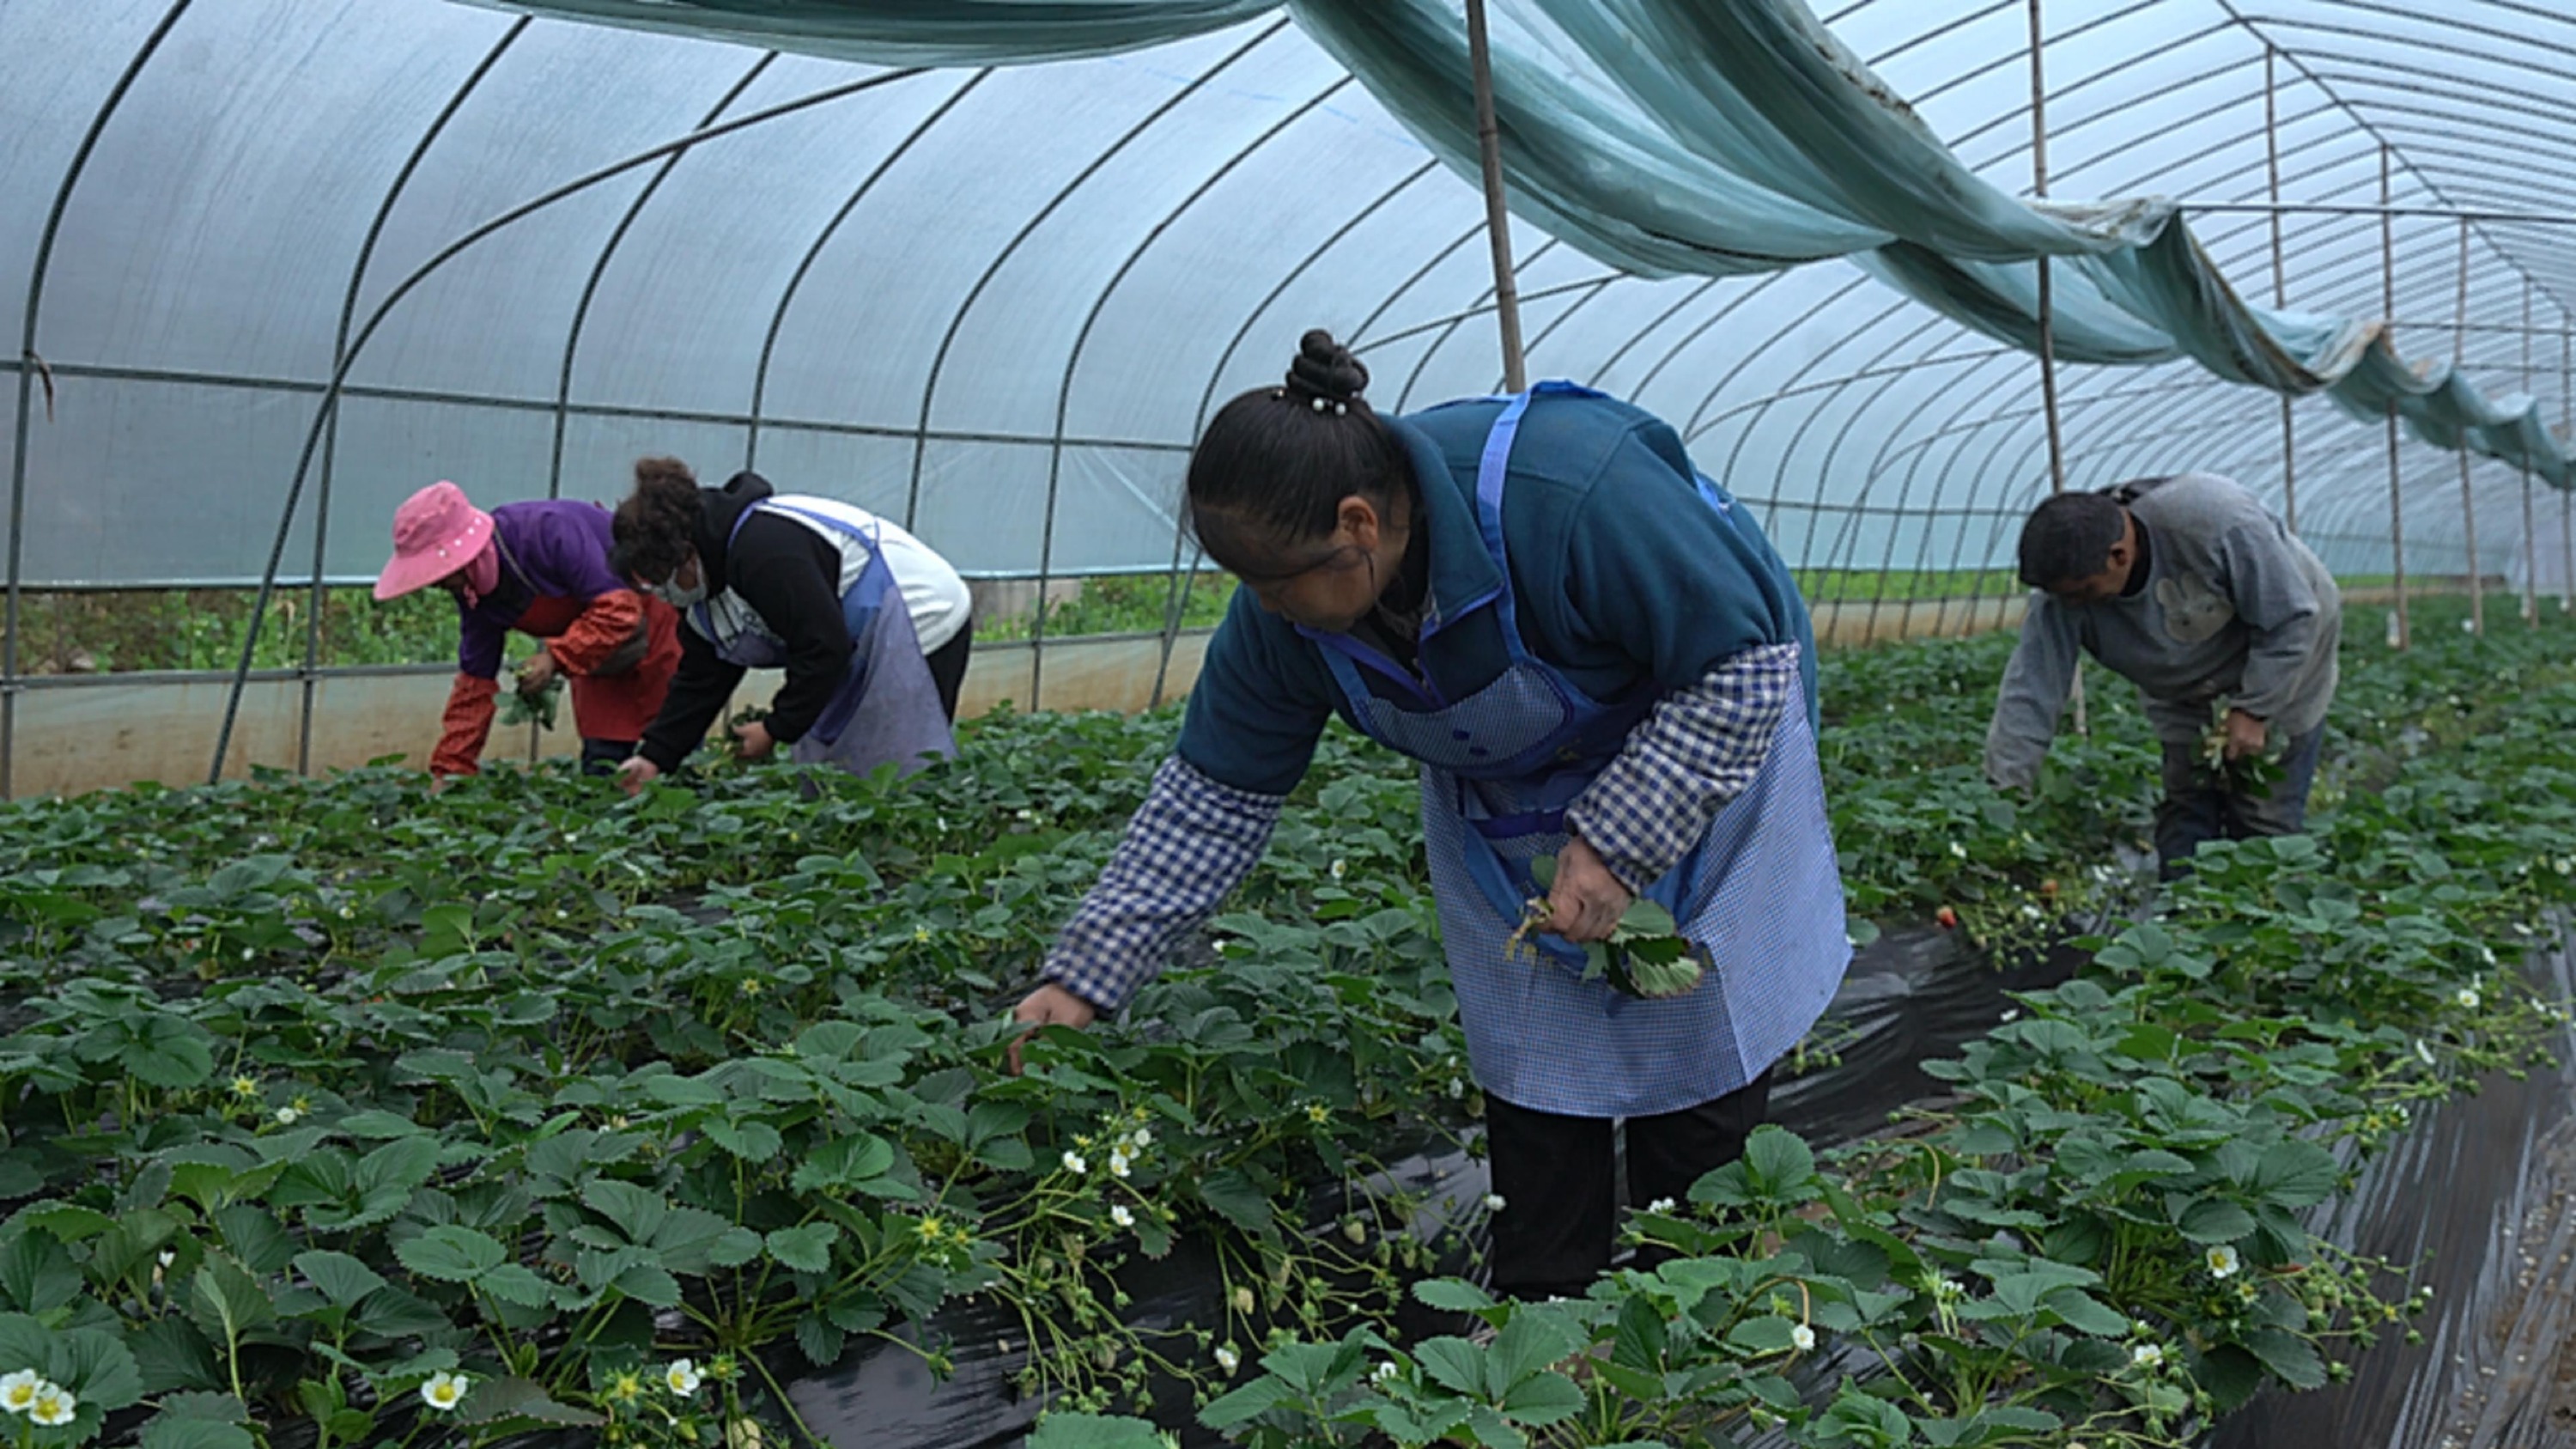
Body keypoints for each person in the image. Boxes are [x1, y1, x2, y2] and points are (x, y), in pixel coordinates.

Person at [1009, 332, 1850, 1302]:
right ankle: (1544, 1326)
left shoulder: (1567, 492)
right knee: (1537, 1067)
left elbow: (1740, 669)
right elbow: (1213, 796)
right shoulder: (1284, 617)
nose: (1269, 609)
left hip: (1704, 739)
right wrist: (1086, 977)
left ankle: (1699, 1318)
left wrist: (1618, 841)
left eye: (1282, 583)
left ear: (1360, 523)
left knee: (1696, 1047)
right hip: (1509, 807)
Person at [1984, 474, 2341, 878]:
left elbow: (2291, 618)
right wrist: (2004, 794)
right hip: (2180, 677)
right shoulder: (2063, 595)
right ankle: (2182, 917)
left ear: (2119, 555)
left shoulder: (2215, 521)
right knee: (2187, 795)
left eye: (2082, 593)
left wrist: (2255, 709)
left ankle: (2263, 919)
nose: (2073, 606)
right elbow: (2032, 689)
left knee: (2263, 806)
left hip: (2287, 648)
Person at [608, 457, 974, 793]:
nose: (660, 591)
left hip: (920, 613)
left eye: (662, 576)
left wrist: (775, 728)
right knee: (836, 766)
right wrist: (656, 756)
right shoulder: (705, 591)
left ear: (686, 553)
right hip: (852, 637)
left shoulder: (765, 551)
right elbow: (703, 677)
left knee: (896, 767)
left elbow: (823, 648)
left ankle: (919, 844)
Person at [374, 480, 680, 778]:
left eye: (438, 572)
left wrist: (555, 658)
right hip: (600, 657)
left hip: (653, 631)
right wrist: (451, 769)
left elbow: (620, 610)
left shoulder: (547, 532)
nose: (435, 583)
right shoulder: (475, 595)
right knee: (605, 764)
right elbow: (475, 685)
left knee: (669, 752)